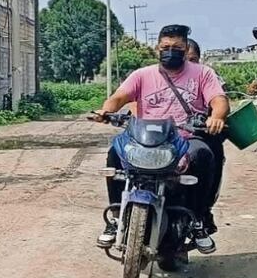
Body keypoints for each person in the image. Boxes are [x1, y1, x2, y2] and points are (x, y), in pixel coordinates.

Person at [92, 24, 228, 253]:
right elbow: (119, 97)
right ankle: (116, 219)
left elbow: (219, 100)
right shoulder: (142, 75)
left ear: (186, 49)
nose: (171, 51)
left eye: (177, 47)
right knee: (116, 151)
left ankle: (197, 221)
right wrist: (106, 110)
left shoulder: (202, 73)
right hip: (144, 138)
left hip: (184, 138)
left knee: (203, 154)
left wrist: (216, 116)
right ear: (157, 48)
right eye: (166, 46)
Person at [186, 38, 227, 231]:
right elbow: (136, 100)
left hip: (201, 131)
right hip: (166, 133)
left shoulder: (207, 76)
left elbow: (220, 100)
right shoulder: (156, 74)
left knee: (212, 154)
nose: (188, 63)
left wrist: (216, 117)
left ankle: (203, 211)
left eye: (192, 59)